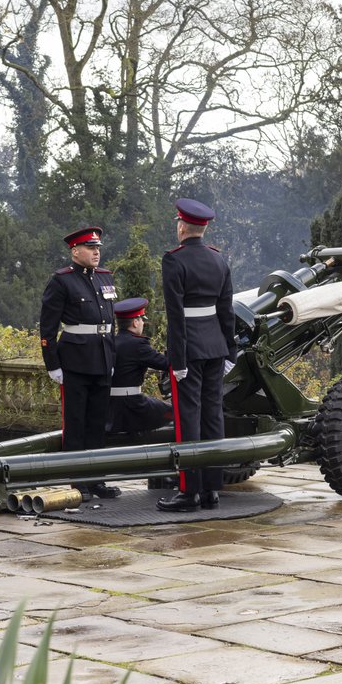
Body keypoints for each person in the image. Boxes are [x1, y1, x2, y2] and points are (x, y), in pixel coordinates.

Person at [158, 198, 237, 512]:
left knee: (187, 419)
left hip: (189, 349)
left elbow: (176, 316)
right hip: (215, 346)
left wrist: (176, 360)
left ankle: (188, 491)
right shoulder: (218, 260)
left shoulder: (173, 260)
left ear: (181, 226)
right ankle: (211, 491)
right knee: (212, 416)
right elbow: (226, 310)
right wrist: (229, 350)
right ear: (202, 228)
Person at [39, 225, 120, 500]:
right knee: (76, 424)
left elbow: (111, 324)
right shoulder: (61, 281)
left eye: (98, 248)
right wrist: (53, 365)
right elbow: (47, 329)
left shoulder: (105, 278)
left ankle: (96, 480)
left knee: (98, 424)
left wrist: (112, 357)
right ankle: (78, 483)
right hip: (74, 361)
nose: (96, 252)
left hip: (103, 359)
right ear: (75, 251)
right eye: (90, 248)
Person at [107, 297, 172, 435]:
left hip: (109, 407)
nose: (143, 322)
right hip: (132, 406)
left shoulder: (110, 341)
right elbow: (167, 364)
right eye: (141, 319)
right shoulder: (138, 344)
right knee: (174, 414)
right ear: (135, 323)